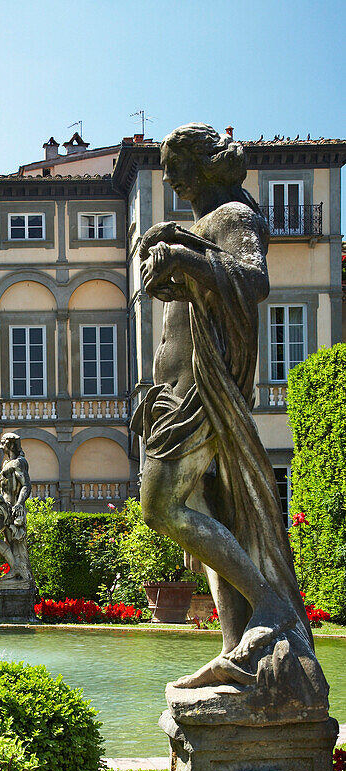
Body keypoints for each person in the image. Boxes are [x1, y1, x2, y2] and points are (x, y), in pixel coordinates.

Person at [133, 123, 312, 689]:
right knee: (210, 513)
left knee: (158, 507)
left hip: (203, 394)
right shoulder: (204, 226)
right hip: (175, 393)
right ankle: (237, 650)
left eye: (176, 164)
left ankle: (271, 606)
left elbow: (252, 280)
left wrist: (184, 258)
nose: (169, 176)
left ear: (203, 165)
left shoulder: (232, 216)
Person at [0, 432, 33, 582]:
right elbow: (1, 481)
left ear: (11, 445)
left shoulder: (19, 462)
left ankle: (17, 569)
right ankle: (16, 568)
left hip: (11, 508)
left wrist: (19, 503)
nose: (0, 447)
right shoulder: (7, 463)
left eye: (3, 443)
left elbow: (26, 485)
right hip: (3, 506)